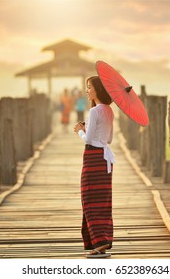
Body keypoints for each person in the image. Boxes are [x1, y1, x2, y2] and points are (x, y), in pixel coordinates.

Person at [73, 76, 115, 258]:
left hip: (93, 158)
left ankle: (98, 243)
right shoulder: (109, 111)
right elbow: (110, 139)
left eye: (89, 87)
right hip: (105, 159)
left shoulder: (95, 111)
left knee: (89, 199)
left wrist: (79, 130)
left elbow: (89, 139)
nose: (87, 90)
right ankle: (103, 241)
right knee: (103, 202)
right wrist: (88, 128)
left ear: (98, 89)